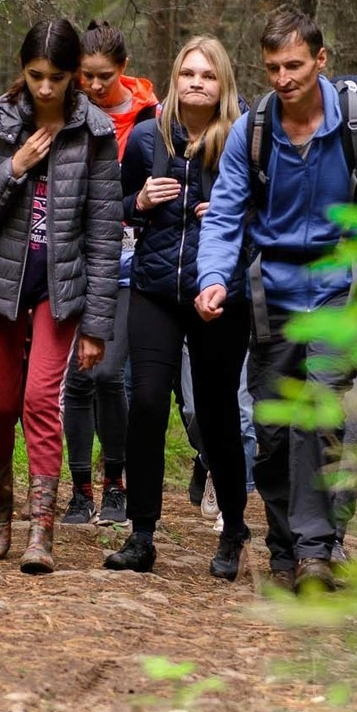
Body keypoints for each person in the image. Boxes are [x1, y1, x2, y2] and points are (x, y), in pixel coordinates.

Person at [193, 9, 357, 590]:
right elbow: (227, 213)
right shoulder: (252, 130)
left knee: (318, 419)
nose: (283, 78)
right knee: (274, 430)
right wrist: (212, 276)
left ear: (320, 60)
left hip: (339, 293)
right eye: (272, 68)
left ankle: (315, 550)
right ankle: (286, 549)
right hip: (273, 297)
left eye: (294, 65)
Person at [0, 17, 123, 575]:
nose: (45, 88)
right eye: (35, 76)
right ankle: (1, 509)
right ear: (21, 72)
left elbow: (104, 233)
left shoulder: (95, 132)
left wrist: (97, 324)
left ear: (74, 75)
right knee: (0, 405)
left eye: (56, 77)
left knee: (38, 403)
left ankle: (41, 527)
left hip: (62, 289)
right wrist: (15, 167)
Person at [104, 35, 254, 577]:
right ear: (174, 77)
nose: (196, 82)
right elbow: (118, 206)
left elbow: (266, 221)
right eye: (188, 72)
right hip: (153, 288)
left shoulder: (242, 141)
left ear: (223, 85)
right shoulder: (147, 138)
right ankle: (142, 534)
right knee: (145, 404)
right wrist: (139, 203)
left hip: (216, 296)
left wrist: (235, 218)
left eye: (208, 75)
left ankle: (234, 526)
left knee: (215, 414)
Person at [62, 21, 156, 526]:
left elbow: (154, 193)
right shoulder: (69, 112)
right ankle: (79, 490)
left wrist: (132, 206)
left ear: (123, 67)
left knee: (104, 372)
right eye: (85, 77)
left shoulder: (151, 119)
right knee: (77, 381)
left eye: (102, 76)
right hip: (71, 259)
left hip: (126, 261)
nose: (94, 86)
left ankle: (115, 483)